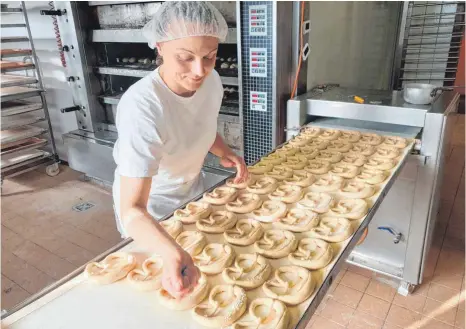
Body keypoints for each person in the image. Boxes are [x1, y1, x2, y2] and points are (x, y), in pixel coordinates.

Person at [112, 2, 248, 299]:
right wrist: (170, 253)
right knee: (162, 292)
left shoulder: (211, 81)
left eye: (210, 57)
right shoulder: (143, 107)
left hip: (192, 195)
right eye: (185, 58)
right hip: (152, 211)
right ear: (159, 47)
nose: (199, 71)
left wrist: (223, 150)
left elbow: (199, 123)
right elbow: (132, 210)